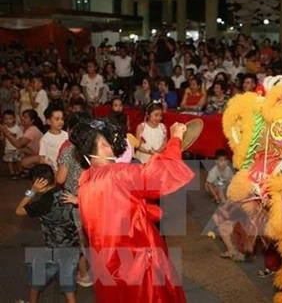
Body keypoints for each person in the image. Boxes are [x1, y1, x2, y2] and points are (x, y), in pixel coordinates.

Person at [70, 118, 192, 302]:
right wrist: (176, 138)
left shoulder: (85, 183)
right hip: (137, 262)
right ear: (103, 145)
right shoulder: (118, 174)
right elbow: (160, 174)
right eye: (107, 143)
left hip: (108, 265)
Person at [15, 164, 79, 303]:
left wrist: (31, 191)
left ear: (38, 183)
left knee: (35, 280)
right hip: (72, 245)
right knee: (68, 285)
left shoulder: (43, 202)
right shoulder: (65, 192)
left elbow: (19, 210)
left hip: (53, 249)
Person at [56, 112, 93, 287]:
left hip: (75, 200)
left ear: (70, 130)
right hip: (94, 199)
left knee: (80, 241)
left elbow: (60, 179)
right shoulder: (94, 148)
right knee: (93, 237)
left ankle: (84, 275)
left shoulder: (68, 150)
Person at [40, 106, 68, 171]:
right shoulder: (45, 139)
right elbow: (42, 158)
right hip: (53, 170)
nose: (60, 122)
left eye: (62, 119)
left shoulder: (66, 135)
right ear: (48, 121)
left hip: (65, 169)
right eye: (57, 119)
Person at [1, 110, 23, 179]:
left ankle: (20, 171)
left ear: (14, 119)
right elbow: (2, 138)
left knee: (18, 160)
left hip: (16, 147)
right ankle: (12, 173)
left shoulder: (17, 128)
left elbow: (15, 136)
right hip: (8, 148)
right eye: (5, 119)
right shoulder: (4, 128)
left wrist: (6, 131)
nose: (8, 121)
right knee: (10, 161)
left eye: (10, 118)